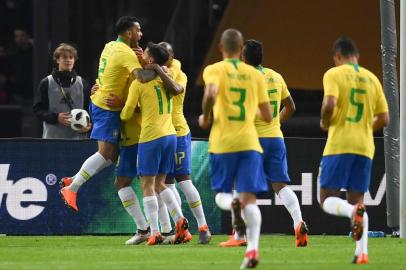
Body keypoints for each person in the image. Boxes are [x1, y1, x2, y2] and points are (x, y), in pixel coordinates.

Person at [59, 16, 182, 212]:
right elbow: (141, 78)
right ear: (128, 33)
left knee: (111, 156)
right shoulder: (127, 53)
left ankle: (73, 180)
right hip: (109, 109)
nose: (141, 34)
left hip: (102, 102)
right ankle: (72, 188)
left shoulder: (110, 46)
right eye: (138, 30)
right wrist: (158, 68)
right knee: (106, 153)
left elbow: (112, 71)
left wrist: (141, 61)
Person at [220, 39, 308, 248]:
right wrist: (276, 121)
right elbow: (291, 106)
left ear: (243, 58)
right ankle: (298, 223)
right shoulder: (276, 76)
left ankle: (240, 236)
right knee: (280, 186)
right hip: (275, 138)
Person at [199, 29, 272, 269]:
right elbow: (267, 114)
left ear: (221, 48)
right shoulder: (255, 75)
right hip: (250, 142)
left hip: (223, 142)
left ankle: (232, 204)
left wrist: (206, 116)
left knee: (222, 194)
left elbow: (210, 93)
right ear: (242, 50)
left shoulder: (213, 70)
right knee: (250, 200)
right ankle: (252, 250)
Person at [319, 37, 389, 264]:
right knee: (358, 198)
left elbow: (329, 104)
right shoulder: (372, 79)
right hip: (365, 146)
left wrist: (324, 121)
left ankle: (351, 213)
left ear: (337, 57)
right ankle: (362, 253)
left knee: (326, 198)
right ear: (357, 56)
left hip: (340, 143)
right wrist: (365, 127)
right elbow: (385, 118)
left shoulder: (334, 74)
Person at [121, 42, 188, 245]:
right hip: (170, 136)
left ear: (150, 60)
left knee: (147, 185)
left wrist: (123, 107)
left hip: (150, 137)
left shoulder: (138, 84)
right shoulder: (167, 79)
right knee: (161, 183)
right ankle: (180, 221)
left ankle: (155, 232)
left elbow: (126, 113)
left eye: (145, 55)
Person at [157, 42, 212, 245]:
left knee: (184, 180)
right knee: (166, 184)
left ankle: (203, 227)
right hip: (162, 133)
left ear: (172, 57)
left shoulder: (178, 73)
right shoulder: (159, 70)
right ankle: (181, 227)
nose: (164, 58)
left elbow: (171, 89)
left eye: (167, 55)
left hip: (177, 132)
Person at [33, 43, 91, 139]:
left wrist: (89, 125)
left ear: (74, 60)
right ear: (57, 60)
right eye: (64, 57)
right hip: (53, 138)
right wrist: (56, 118)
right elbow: (37, 110)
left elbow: (90, 110)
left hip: (78, 138)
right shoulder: (46, 82)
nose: (68, 60)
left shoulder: (83, 83)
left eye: (71, 57)